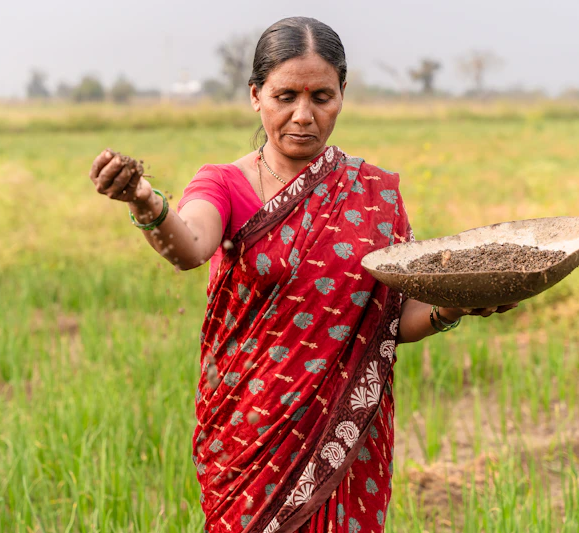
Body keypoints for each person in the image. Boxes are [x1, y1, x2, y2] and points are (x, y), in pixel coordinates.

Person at [89, 16, 516, 533]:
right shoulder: (222, 183)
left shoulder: (373, 193)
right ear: (255, 95)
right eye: (285, 95)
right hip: (250, 432)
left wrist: (457, 304)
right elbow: (190, 247)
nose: (303, 115)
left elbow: (391, 321)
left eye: (321, 96)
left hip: (345, 436)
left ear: (342, 95)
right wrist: (143, 199)